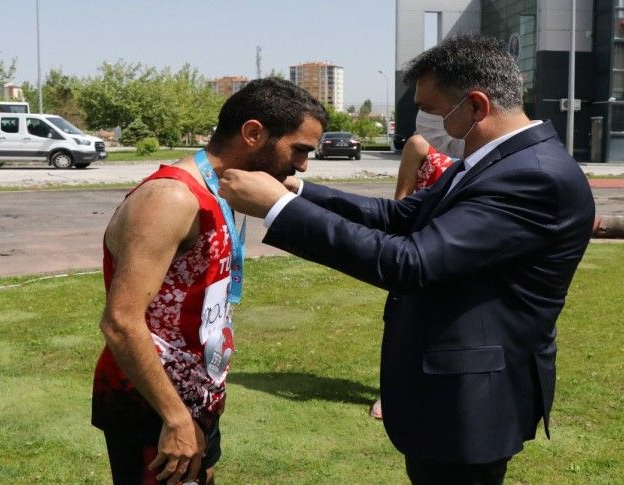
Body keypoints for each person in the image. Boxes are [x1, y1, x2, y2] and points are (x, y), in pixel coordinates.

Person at [217, 34, 595, 484]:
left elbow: (412, 263)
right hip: (450, 390)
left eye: (431, 110)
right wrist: (296, 190)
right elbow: (398, 216)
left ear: (475, 106)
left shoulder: (533, 175)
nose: (424, 124)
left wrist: (278, 209)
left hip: (472, 401)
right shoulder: (492, 161)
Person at [91, 78, 326, 485]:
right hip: (152, 402)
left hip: (195, 395)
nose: (302, 165)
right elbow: (121, 322)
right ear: (253, 133)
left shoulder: (220, 190)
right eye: (299, 149)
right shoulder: (172, 198)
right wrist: (176, 418)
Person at [370, 134, 454, 419]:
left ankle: (439, 390)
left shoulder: (482, 144)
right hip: (420, 244)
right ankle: (389, 391)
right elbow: (402, 200)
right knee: (403, 319)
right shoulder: (420, 144)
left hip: (460, 245)